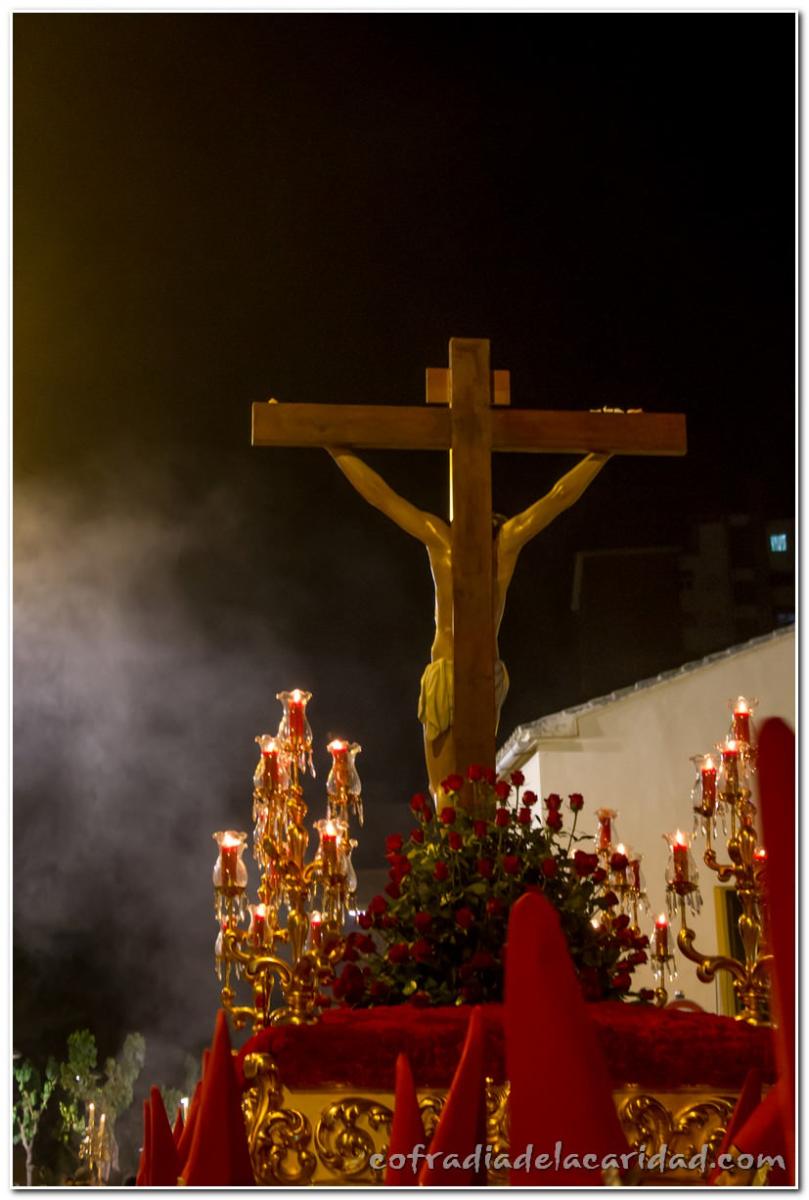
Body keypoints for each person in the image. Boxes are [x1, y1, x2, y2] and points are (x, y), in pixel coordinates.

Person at [327, 447, 610, 801]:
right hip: (485, 673)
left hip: (452, 670)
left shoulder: (443, 539)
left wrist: (334, 448)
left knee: (445, 787)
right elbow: (559, 497)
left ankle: (455, 838)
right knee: (474, 783)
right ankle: (470, 836)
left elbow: (382, 497)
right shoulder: (503, 543)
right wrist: (602, 454)